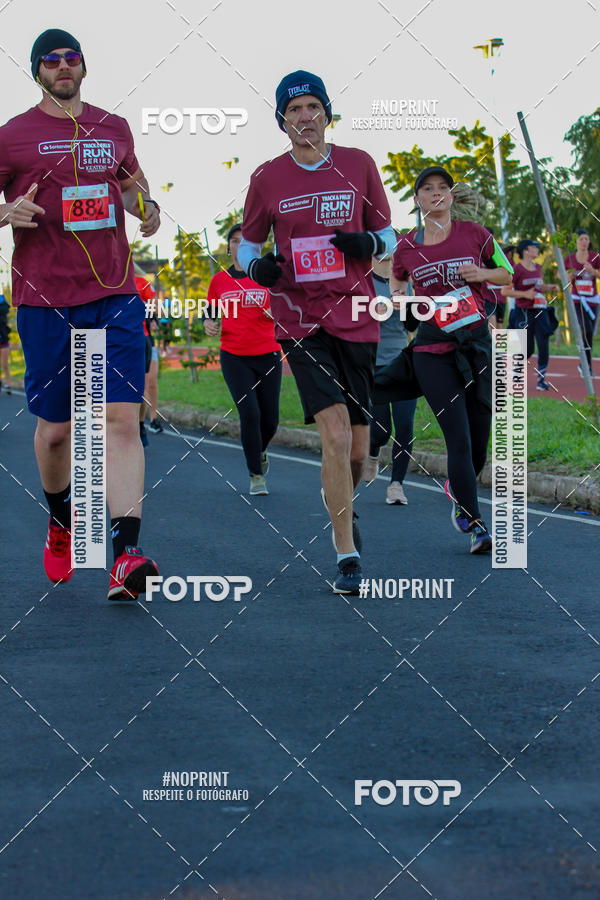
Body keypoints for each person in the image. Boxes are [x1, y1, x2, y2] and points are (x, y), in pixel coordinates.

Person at [0, 29, 161, 600]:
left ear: (84, 68)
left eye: (72, 58)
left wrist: (149, 208)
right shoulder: (13, 137)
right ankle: (63, 519)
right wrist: (6, 210)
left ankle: (128, 554)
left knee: (120, 421)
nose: (63, 67)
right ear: (38, 71)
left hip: (115, 292)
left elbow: (134, 185)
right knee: (57, 433)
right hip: (44, 299)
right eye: (51, 60)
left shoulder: (112, 128)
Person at [238, 70, 396, 594]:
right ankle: (345, 549)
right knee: (330, 432)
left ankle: (345, 512)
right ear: (282, 121)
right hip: (299, 318)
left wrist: (365, 243)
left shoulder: (358, 164)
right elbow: (247, 244)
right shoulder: (266, 177)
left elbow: (389, 233)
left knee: (356, 451)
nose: (304, 116)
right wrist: (256, 269)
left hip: (356, 316)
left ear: (327, 112)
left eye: (312, 106)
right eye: (293, 109)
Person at [377, 166, 512, 554]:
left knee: (480, 438)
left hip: (475, 345)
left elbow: (505, 274)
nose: (435, 194)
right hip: (432, 351)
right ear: (417, 200)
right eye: (427, 189)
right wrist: (401, 299)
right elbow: (397, 282)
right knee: (459, 440)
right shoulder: (406, 245)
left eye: (442, 188)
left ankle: (459, 490)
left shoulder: (477, 235)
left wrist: (482, 271)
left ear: (451, 197)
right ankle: (477, 525)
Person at [205, 223, 282, 495]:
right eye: (235, 241)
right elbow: (210, 312)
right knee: (249, 413)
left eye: (245, 242)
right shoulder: (219, 281)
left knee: (270, 420)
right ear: (229, 247)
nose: (239, 246)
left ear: (256, 248)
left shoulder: (268, 276)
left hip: (269, 353)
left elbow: (286, 306)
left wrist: (276, 312)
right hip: (234, 355)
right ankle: (256, 475)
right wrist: (208, 323)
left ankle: (258, 450)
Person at [363, 255, 417, 505]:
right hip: (373, 364)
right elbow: (350, 320)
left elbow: (413, 324)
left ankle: (396, 484)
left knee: (405, 426)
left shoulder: (408, 283)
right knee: (381, 430)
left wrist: (408, 306)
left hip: (403, 362)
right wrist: (374, 311)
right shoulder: (361, 283)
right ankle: (372, 451)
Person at [504, 240, 559, 390]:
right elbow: (505, 291)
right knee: (527, 349)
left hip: (540, 310)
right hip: (524, 312)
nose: (537, 249)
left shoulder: (538, 267)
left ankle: (541, 380)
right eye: (534, 247)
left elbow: (538, 287)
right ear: (526, 250)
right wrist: (525, 294)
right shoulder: (517, 269)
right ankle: (516, 369)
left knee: (543, 344)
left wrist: (550, 287)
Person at [563, 228, 600, 376]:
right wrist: (569, 277)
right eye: (581, 239)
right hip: (577, 300)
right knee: (587, 330)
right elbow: (563, 276)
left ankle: (585, 363)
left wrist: (593, 271)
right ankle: (587, 365)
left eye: (586, 239)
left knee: (590, 333)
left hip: (593, 300)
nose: (584, 242)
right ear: (576, 242)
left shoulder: (595, 257)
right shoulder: (570, 259)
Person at [134, 267, 162, 445]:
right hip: (112, 340)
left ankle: (142, 424)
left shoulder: (140, 283)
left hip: (141, 338)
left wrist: (152, 316)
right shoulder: (105, 280)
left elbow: (157, 309)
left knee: (144, 385)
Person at [0, 294, 11, 394]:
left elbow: (6, 309)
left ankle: (8, 384)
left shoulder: (2, 299)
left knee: (5, 364)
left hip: (3, 339)